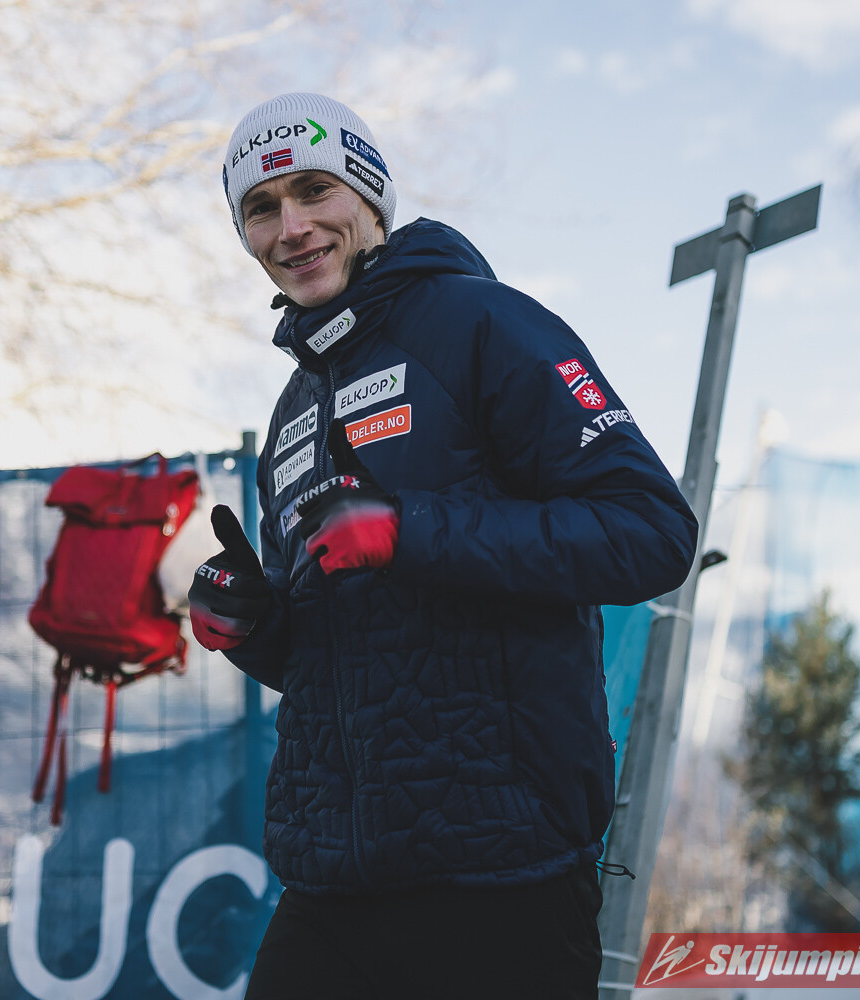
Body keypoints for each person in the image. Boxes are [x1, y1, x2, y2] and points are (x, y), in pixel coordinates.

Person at [188, 93, 698, 999]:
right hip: (331, 875)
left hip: (501, 872)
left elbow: (651, 531)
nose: (292, 227)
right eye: (261, 208)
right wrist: (252, 627)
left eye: (315, 192)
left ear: (371, 198)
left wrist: (410, 529)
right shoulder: (293, 409)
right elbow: (329, 662)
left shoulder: (484, 323)